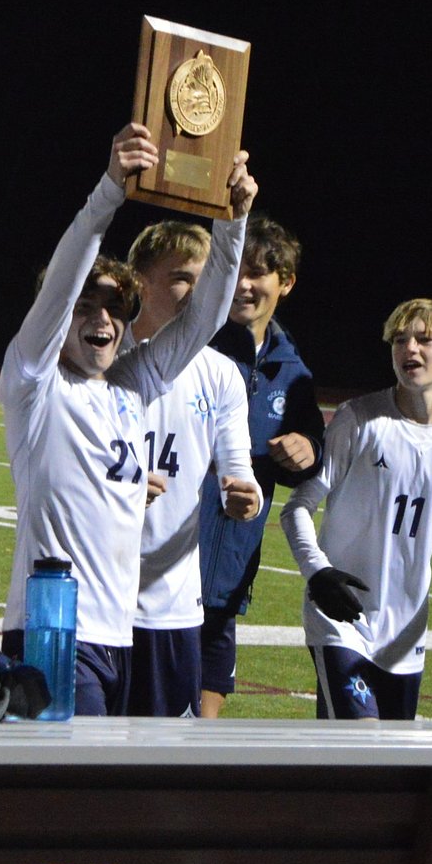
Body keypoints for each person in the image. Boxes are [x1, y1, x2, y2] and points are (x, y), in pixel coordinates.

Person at [0, 125, 255, 864]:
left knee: (73, 830)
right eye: (86, 305)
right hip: (55, 631)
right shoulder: (35, 383)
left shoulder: (132, 385)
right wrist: (109, 194)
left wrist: (234, 221)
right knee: (85, 826)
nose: (99, 317)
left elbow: (200, 322)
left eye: (114, 307)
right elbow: (63, 278)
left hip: (121, 632)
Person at [280, 299, 432, 720]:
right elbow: (297, 509)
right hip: (341, 624)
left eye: (424, 339)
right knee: (357, 746)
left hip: (405, 633)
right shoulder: (359, 420)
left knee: (392, 764)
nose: (409, 349)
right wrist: (319, 574)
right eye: (400, 340)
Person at [126, 221, 261, 718]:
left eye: (206, 281)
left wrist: (246, 499)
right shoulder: (106, 356)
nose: (198, 294)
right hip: (94, 603)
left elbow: (239, 473)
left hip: (172, 608)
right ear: (140, 281)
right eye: (183, 278)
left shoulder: (221, 373)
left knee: (158, 767)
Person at [194, 215, 325, 717]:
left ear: (285, 283)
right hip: (164, 558)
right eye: (236, 268)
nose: (243, 284)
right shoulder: (193, 343)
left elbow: (310, 457)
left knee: (207, 695)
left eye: (259, 273)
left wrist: (307, 449)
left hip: (230, 564)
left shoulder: (292, 373)